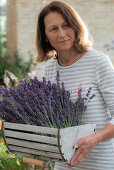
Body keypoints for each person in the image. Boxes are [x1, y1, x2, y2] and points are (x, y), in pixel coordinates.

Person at [35, 0, 114, 169]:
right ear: (46, 37)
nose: (62, 34)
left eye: (66, 25)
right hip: (64, 165)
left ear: (76, 26)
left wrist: (94, 138)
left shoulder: (98, 62)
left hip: (101, 164)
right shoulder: (49, 69)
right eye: (54, 29)